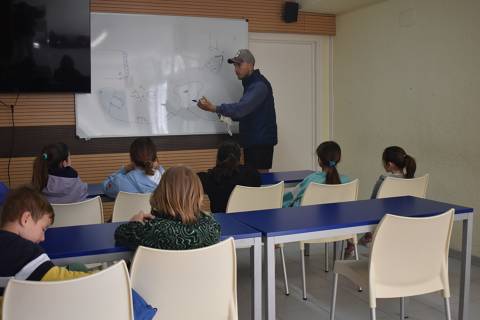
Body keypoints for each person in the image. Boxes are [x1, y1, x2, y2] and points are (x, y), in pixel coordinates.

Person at [197, 49, 278, 173]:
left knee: (259, 183)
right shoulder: (251, 84)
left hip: (260, 145)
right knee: (254, 182)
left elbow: (241, 109)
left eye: (239, 65)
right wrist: (223, 115)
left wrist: (214, 108)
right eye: (234, 65)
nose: (236, 69)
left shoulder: (258, 86)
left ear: (250, 65)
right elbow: (245, 113)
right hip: (254, 142)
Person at [0, 186, 89, 297]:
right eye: (43, 229)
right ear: (26, 219)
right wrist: (103, 276)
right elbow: (63, 280)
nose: (43, 238)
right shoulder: (26, 252)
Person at [115, 166, 220, 250]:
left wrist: (135, 223)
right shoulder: (212, 226)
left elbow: (121, 234)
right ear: (198, 194)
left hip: (156, 277)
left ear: (162, 193)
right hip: (200, 276)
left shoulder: (152, 230)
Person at [360, 146, 417, 246]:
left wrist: (369, 231)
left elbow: (372, 204)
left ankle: (368, 238)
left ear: (389, 164)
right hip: (408, 227)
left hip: (384, 226)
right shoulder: (415, 181)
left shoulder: (384, 181)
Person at [198, 140, 261, 213]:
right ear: (239, 157)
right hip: (247, 219)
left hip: (221, 221)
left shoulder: (209, 177)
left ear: (218, 157)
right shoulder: (252, 174)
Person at [283, 141, 350, 208]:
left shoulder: (311, 179)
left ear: (320, 160)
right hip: (335, 217)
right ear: (339, 159)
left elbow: (292, 196)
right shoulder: (347, 181)